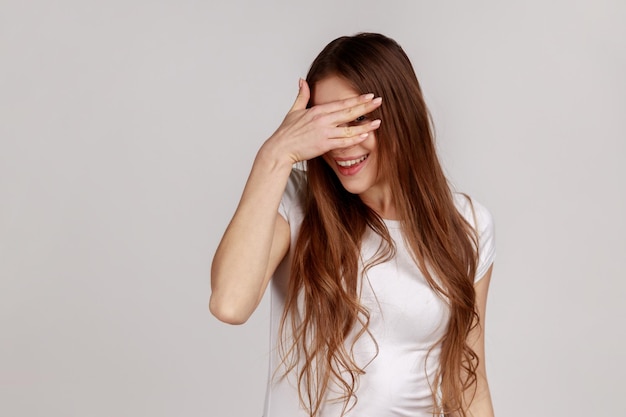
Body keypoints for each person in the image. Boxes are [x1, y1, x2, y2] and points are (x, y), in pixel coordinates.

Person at [210, 33, 496, 417]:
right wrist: (276, 153)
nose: (340, 144)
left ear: (399, 116)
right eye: (326, 124)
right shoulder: (296, 201)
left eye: (356, 120)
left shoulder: (469, 224)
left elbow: (467, 382)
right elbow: (230, 303)